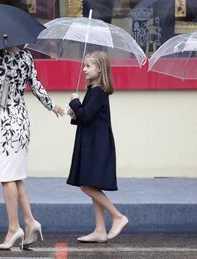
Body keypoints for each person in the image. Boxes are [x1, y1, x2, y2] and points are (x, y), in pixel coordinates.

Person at [0, 46, 64, 249]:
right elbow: (36, 85)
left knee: (7, 178)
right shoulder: (27, 56)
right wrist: (52, 106)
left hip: (6, 124)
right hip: (22, 120)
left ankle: (13, 229)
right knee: (16, 176)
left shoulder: (0, 58)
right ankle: (31, 221)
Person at [66, 51, 128, 243]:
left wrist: (75, 102)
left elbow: (86, 115)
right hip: (92, 142)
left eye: (88, 66)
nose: (83, 69)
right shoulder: (94, 91)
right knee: (92, 184)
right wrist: (75, 112)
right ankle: (100, 230)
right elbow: (86, 116)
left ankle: (117, 216)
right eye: (84, 65)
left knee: (86, 185)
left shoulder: (99, 91)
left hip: (96, 145)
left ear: (99, 69)